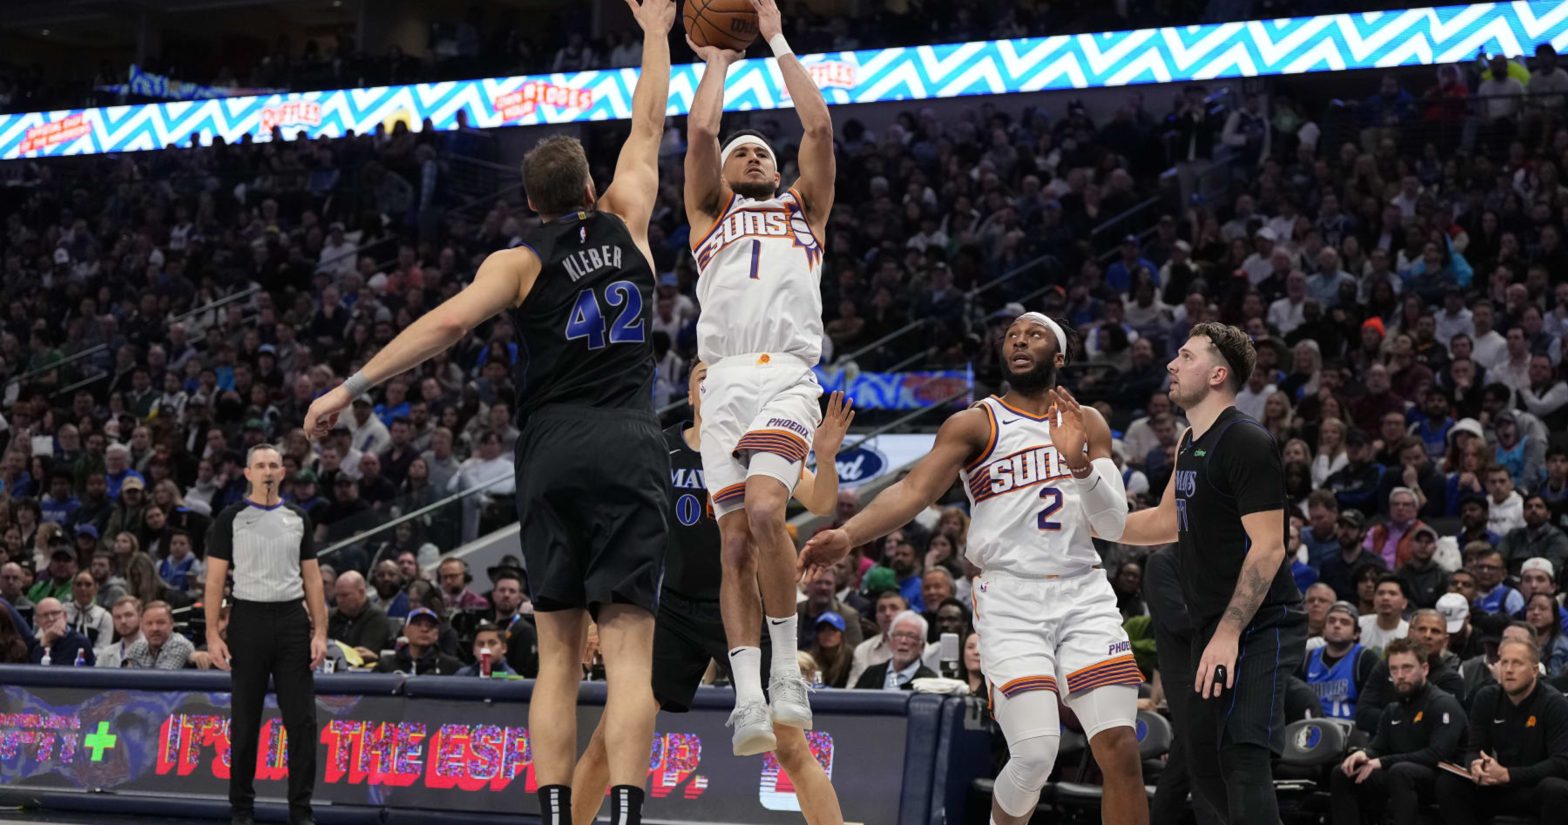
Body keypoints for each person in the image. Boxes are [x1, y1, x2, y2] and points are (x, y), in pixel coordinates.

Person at [303, 7, 674, 821]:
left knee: (555, 657)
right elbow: (649, 121)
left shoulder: (516, 259)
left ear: (532, 205)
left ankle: (550, 813)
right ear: (586, 189)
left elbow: (443, 326)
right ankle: (624, 813)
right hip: (627, 437)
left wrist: (349, 384)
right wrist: (656, 32)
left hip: (552, 444)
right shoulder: (630, 219)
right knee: (632, 654)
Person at [801, 313, 1148, 825]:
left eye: (1034, 335)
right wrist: (849, 535)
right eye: (1012, 336)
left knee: (1119, 747)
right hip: (1010, 598)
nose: (1019, 341)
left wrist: (1078, 463)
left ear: (1060, 355)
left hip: (1083, 592)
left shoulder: (1088, 422)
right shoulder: (975, 423)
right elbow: (913, 491)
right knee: (1034, 753)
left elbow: (1113, 522)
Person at [570, 362, 851, 825]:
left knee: (791, 747)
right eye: (703, 376)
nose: (712, 383)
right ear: (691, 390)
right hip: (673, 608)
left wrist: (825, 457)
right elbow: (611, 534)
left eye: (719, 375)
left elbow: (821, 503)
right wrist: (592, 618)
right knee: (610, 735)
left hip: (746, 608)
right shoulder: (658, 448)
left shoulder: (758, 448)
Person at [683, 0, 838, 756]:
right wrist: (715, 60)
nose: (750, 156)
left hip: (785, 374)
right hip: (723, 381)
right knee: (735, 543)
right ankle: (748, 696)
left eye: (760, 153)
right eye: (741, 152)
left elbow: (818, 129)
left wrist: (773, 36)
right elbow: (703, 132)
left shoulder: (803, 210)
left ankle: (787, 672)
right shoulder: (707, 212)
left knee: (773, 512)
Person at [1115, 322, 1305, 825]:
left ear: (1218, 373)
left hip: (1260, 625)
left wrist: (1229, 632)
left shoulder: (1245, 440)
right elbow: (1163, 521)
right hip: (1213, 625)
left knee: (1243, 755)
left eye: (1185, 356)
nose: (1172, 365)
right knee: (1203, 760)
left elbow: (1268, 549)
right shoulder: (1188, 442)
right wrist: (1084, 525)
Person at [202, 444, 329, 825]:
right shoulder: (230, 518)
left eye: (274, 464)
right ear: (248, 473)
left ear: (283, 472)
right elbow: (214, 580)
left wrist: (320, 631)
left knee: (302, 723)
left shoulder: (298, 518)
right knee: (244, 721)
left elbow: (312, 579)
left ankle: (301, 812)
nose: (268, 470)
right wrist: (212, 633)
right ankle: (241, 810)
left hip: (291, 620)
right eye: (260, 465)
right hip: (247, 619)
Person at [1331, 638, 1468, 825]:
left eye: (1407, 668)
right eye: (1394, 669)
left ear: (1425, 669)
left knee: (1400, 771)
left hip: (1443, 778)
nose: (1400, 675)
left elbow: (1437, 754)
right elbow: (1378, 747)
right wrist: (1364, 754)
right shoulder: (1393, 709)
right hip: (1402, 772)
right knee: (1343, 772)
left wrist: (1381, 761)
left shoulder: (1442, 703)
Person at [1435, 638, 1568, 824]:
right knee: (1449, 784)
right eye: (1504, 662)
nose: (1509, 670)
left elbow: (1561, 763)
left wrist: (1509, 775)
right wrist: (1477, 766)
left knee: (1556, 789)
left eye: (1517, 663)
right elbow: (1474, 748)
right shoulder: (1486, 697)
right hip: (1498, 786)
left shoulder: (1554, 704)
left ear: (1535, 670)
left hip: (1534, 788)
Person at [1302, 602, 1378, 719]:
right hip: (1312, 728)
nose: (1336, 625)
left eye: (1344, 622)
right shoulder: (1307, 658)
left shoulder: (1365, 659)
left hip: (1352, 731)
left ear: (1356, 633)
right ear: (1323, 630)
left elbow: (1371, 705)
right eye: (1331, 621)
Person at [852, 610, 937, 690]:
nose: (903, 641)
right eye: (898, 635)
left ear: (921, 646)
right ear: (890, 641)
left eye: (911, 636)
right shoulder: (871, 673)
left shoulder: (930, 682)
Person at [327, 571, 396, 661]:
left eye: (345, 595)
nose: (339, 600)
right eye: (337, 596)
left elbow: (364, 654)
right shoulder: (331, 616)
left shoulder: (376, 617)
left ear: (361, 592)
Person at [376, 607, 463, 675]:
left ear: (437, 634)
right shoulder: (387, 664)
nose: (424, 629)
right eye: (418, 624)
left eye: (430, 626)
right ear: (405, 631)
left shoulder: (451, 667)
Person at [847, 590, 908, 687]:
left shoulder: (920, 648)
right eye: (882, 609)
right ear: (876, 617)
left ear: (906, 614)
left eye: (894, 608)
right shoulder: (862, 650)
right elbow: (852, 691)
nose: (887, 613)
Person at [123, 601, 193, 669]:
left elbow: (161, 679)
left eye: (160, 623)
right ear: (141, 626)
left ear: (171, 624)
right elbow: (124, 678)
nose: (155, 628)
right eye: (149, 623)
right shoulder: (137, 647)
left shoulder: (179, 644)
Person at [29, 597, 95, 666]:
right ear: (37, 621)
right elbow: (32, 672)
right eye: (45, 615)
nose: (51, 619)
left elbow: (54, 674)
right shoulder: (36, 641)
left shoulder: (79, 642)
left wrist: (45, 642)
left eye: (55, 613)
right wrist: (43, 643)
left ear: (65, 616)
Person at [1360, 576, 1411, 653]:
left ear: (1404, 603)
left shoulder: (1409, 633)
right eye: (1380, 593)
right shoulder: (1359, 624)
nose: (1385, 598)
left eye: (1392, 594)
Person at [93, 595, 143, 668]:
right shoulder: (106, 653)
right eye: (118, 617)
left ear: (140, 616)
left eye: (128, 615)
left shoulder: (153, 650)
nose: (123, 621)